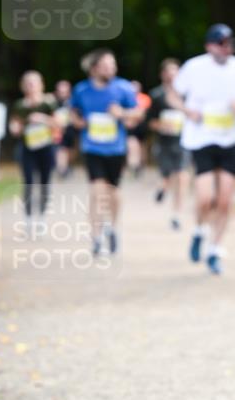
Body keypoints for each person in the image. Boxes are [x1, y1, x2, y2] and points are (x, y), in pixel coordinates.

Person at [170, 24, 235, 274]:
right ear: (209, 46)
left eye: (230, 43)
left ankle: (214, 250)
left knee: (224, 200)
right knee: (205, 198)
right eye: (222, 43)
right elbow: (173, 95)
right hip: (201, 138)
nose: (227, 48)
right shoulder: (193, 67)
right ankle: (200, 231)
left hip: (232, 139)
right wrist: (185, 110)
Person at [70, 50, 139, 255]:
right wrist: (78, 121)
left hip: (116, 148)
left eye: (113, 64)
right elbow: (73, 111)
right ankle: (96, 236)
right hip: (92, 148)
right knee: (97, 190)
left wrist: (122, 113)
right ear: (94, 69)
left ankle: (112, 227)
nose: (111, 69)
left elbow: (137, 114)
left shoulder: (123, 88)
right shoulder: (82, 90)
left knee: (113, 193)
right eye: (106, 65)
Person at [9, 71, 58, 227]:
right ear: (23, 86)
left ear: (41, 84)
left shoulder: (49, 103)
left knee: (45, 182)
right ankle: (29, 218)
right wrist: (15, 128)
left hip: (46, 147)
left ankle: (42, 218)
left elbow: (59, 123)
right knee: (28, 182)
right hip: (27, 148)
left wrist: (42, 119)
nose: (31, 86)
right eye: (28, 83)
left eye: (34, 83)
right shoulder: (19, 105)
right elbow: (14, 124)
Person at [147, 58, 189, 229]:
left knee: (182, 175)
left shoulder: (186, 94)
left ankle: (177, 214)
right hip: (164, 142)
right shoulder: (157, 95)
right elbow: (150, 121)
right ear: (162, 74)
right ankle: (162, 188)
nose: (172, 76)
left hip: (184, 141)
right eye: (168, 72)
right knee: (166, 176)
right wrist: (162, 126)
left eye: (175, 72)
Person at [126, 81, 150, 177]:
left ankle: (141, 164)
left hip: (141, 126)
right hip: (130, 126)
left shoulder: (145, 98)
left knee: (142, 146)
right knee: (132, 145)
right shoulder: (126, 97)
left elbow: (146, 113)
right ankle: (133, 165)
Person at [53, 79, 76, 178]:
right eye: (60, 91)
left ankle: (68, 166)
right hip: (58, 130)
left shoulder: (73, 102)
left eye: (64, 91)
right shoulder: (53, 103)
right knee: (61, 149)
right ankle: (62, 169)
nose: (62, 94)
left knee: (70, 150)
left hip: (71, 129)